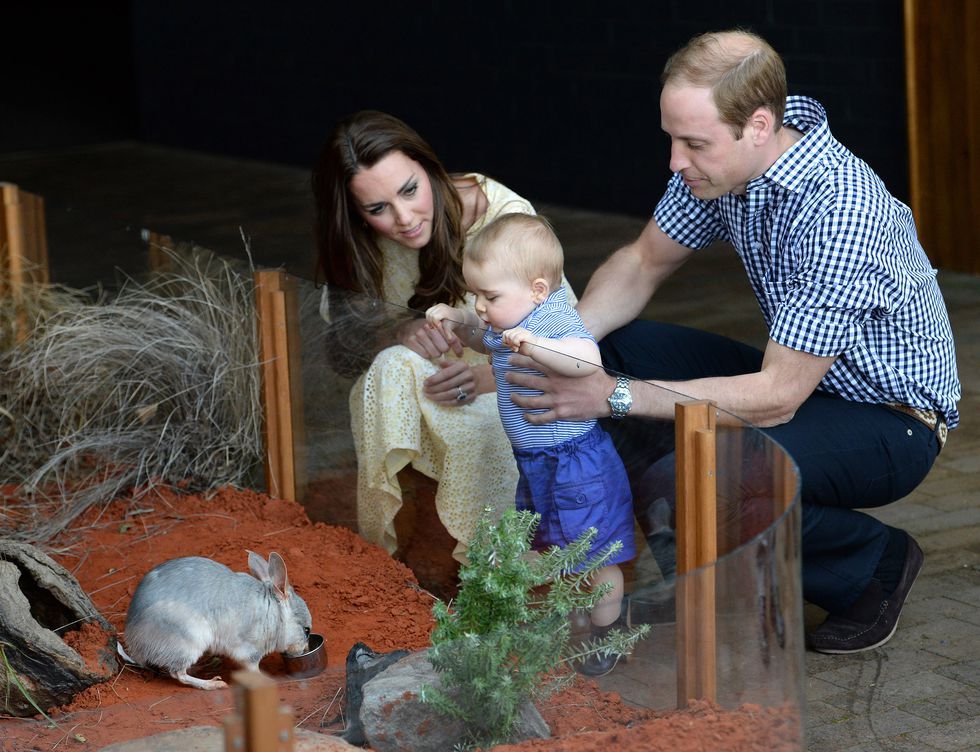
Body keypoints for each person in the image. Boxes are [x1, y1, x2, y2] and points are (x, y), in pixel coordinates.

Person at [506, 30, 961, 654]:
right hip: (809, 381)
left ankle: (871, 564)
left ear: (758, 125)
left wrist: (610, 396)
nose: (675, 160)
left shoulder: (840, 210)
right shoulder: (727, 172)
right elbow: (642, 262)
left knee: (702, 470)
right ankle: (703, 571)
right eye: (672, 138)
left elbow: (776, 396)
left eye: (693, 143)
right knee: (616, 349)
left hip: (889, 422)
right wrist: (564, 352)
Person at [312, 110, 578, 563]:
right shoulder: (360, 241)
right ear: (356, 213)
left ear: (430, 168)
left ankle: (495, 568)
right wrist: (399, 330)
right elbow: (343, 349)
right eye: (377, 209)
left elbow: (568, 348)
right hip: (431, 389)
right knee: (390, 366)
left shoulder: (502, 218)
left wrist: (488, 379)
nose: (404, 218)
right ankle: (387, 554)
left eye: (410, 190)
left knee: (484, 431)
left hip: (516, 390)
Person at [426, 213, 635, 676]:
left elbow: (586, 360)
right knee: (550, 542)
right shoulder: (510, 317)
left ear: (537, 290)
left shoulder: (552, 318)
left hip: (576, 463)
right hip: (537, 461)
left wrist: (536, 345)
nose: (480, 305)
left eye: (489, 296)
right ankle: (561, 615)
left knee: (595, 555)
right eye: (475, 295)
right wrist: (458, 321)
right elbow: (487, 340)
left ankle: (609, 632)